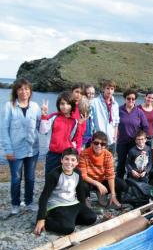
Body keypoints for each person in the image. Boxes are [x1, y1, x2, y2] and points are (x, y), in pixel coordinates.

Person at [1, 79, 41, 214]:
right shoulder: (9, 106)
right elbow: (4, 129)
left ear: (30, 91)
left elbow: (41, 128)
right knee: (16, 179)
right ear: (16, 91)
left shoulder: (35, 106)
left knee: (30, 178)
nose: (24, 92)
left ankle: (29, 202)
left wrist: (46, 115)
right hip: (15, 150)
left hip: (32, 150)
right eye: (20, 89)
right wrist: (8, 149)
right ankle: (15, 204)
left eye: (26, 89)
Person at [34, 148, 96, 235]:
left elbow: (80, 192)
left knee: (91, 218)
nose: (69, 162)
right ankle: (48, 221)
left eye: (73, 160)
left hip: (72, 202)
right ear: (61, 160)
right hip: (57, 205)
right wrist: (40, 219)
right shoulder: (54, 174)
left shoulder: (77, 173)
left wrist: (83, 208)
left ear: (77, 162)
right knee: (68, 228)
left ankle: (68, 219)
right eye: (66, 159)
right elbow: (44, 196)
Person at [40, 91, 85, 174]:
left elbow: (75, 139)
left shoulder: (75, 121)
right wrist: (44, 116)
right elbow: (43, 131)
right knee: (50, 178)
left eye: (68, 104)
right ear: (58, 105)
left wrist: (80, 124)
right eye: (62, 104)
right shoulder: (54, 117)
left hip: (68, 156)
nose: (65, 107)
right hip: (53, 155)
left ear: (72, 105)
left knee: (65, 180)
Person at [79, 131, 127, 207]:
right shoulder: (84, 154)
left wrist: (113, 194)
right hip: (89, 181)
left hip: (102, 179)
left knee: (122, 184)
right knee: (82, 184)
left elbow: (110, 175)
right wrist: (98, 184)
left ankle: (108, 196)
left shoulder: (108, 155)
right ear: (92, 143)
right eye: (96, 143)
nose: (99, 146)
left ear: (105, 146)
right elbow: (83, 175)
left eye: (102, 144)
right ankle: (86, 198)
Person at [116, 89, 149, 179]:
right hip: (122, 142)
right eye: (128, 98)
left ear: (135, 100)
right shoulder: (118, 110)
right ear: (125, 99)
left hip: (134, 143)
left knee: (134, 164)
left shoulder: (139, 112)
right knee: (121, 163)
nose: (131, 100)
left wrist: (142, 139)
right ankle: (119, 184)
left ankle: (131, 183)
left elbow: (145, 126)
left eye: (133, 99)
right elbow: (113, 124)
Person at [91, 80, 119, 153]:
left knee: (110, 162)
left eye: (112, 89)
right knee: (98, 162)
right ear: (103, 89)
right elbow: (90, 120)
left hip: (111, 139)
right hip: (99, 140)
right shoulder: (95, 102)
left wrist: (115, 137)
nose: (109, 91)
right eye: (107, 88)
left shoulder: (115, 104)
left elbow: (116, 122)